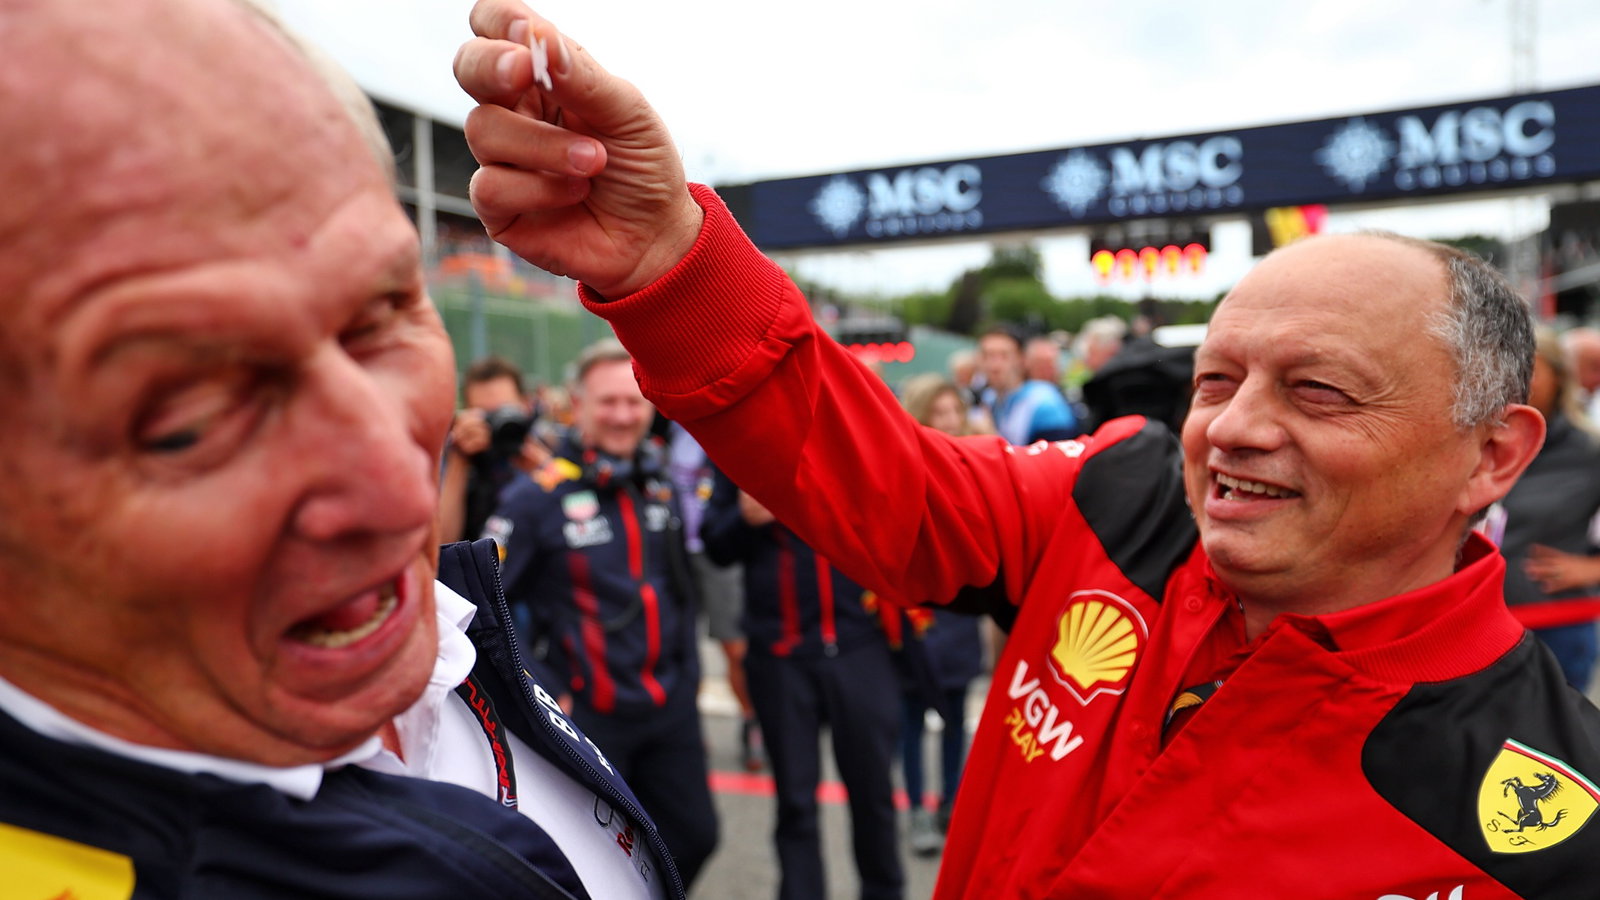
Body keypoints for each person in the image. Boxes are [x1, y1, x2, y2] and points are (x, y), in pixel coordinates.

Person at [453, 5, 1600, 895]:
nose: (1233, 425)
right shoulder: (1119, 495)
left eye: (1319, 391)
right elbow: (878, 480)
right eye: (1215, 379)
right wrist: (668, 258)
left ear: (1491, 456)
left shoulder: (1547, 821)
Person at [0, 2, 684, 898]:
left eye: (378, 318)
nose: (400, 491)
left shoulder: (437, 633)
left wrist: (678, 262)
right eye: (189, 421)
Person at [487, 339, 719, 887]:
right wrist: (544, 691)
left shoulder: (658, 484)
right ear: (578, 405)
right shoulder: (536, 497)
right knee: (594, 865)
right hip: (589, 714)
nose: (622, 415)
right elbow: (486, 602)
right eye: (608, 401)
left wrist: (689, 679)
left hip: (669, 708)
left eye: (633, 402)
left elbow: (682, 593)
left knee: (695, 836)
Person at [702, 470, 905, 900]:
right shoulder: (744, 452)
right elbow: (715, 545)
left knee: (874, 794)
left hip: (860, 647)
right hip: (781, 656)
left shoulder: (854, 444)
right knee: (795, 802)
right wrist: (743, 519)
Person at [894, 376, 987, 857]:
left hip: (962, 611)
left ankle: (952, 801)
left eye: (956, 411)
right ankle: (915, 808)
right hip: (917, 611)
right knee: (911, 717)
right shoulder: (901, 465)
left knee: (955, 716)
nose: (950, 421)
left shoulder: (978, 463)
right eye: (940, 412)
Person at [1491, 328, 1600, 691]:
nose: (1514, 377)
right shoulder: (1471, 444)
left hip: (1554, 630)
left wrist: (1592, 569)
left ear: (1559, 376)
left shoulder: (1589, 451)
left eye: (1529, 367)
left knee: (1544, 730)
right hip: (1473, 628)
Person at [666, 419, 765, 771]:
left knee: (735, 645)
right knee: (677, 645)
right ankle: (687, 728)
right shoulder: (667, 424)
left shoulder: (728, 422)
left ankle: (752, 722)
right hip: (674, 547)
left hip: (718, 546)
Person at [437, 355, 548, 543]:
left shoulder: (550, 445)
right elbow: (442, 543)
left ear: (526, 405)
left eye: (504, 411)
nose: (496, 423)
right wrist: (459, 460)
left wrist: (545, 470)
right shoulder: (453, 457)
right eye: (485, 415)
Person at [976, 326, 1081, 445]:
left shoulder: (1044, 402)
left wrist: (991, 438)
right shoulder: (990, 398)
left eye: (1004, 356)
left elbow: (1055, 455)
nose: (994, 365)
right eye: (987, 355)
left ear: (1022, 359)